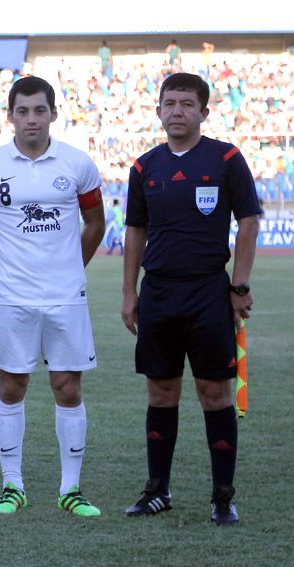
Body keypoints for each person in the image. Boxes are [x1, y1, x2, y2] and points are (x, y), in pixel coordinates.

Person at [121, 72, 260, 525]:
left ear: (204, 111)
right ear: (158, 110)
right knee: (161, 392)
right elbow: (135, 230)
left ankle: (223, 496)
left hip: (208, 291)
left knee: (214, 393)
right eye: (170, 103)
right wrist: (130, 292)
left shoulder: (226, 159)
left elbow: (249, 222)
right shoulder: (144, 166)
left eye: (186, 104)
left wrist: (238, 285)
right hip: (158, 291)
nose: (177, 111)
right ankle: (157, 490)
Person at [0, 76, 106, 517]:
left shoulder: (77, 163)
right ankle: (13, 486)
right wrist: (3, 264)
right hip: (12, 298)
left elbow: (96, 222)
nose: (31, 119)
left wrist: (70, 267)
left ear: (53, 114)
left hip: (66, 296)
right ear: (10, 116)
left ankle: (71, 490)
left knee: (67, 387)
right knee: (12, 385)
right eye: (22, 111)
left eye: (39, 110)